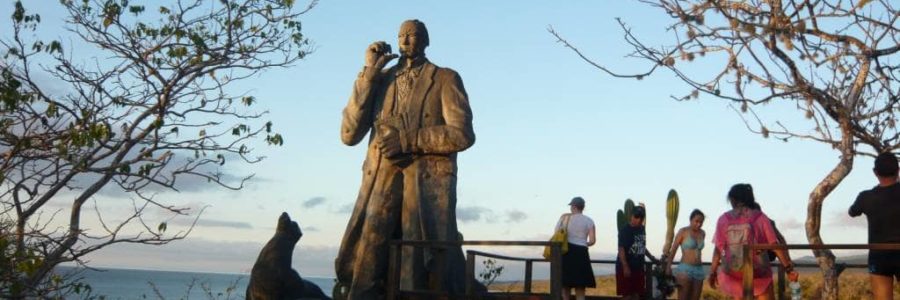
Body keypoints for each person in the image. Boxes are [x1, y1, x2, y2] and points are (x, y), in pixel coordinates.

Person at [335, 19, 476, 299]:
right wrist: (369, 73)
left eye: (413, 35)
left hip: (422, 183)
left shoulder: (445, 78)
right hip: (379, 180)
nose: (406, 40)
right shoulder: (380, 80)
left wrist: (409, 140)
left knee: (416, 261)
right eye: (401, 35)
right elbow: (349, 134)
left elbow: (462, 134)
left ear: (425, 40)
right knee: (369, 253)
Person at [708, 184, 798, 299]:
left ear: (734, 200)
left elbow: (718, 249)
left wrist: (712, 272)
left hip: (735, 274)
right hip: (759, 272)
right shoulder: (760, 217)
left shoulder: (723, 219)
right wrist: (788, 269)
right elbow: (775, 245)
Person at [849, 152, 900, 300]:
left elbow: (852, 212)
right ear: (898, 170)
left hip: (879, 255)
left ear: (875, 172)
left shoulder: (866, 197)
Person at [555, 197, 596, 300]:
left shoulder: (564, 218)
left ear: (573, 206)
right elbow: (592, 241)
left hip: (567, 252)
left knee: (565, 286)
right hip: (582, 253)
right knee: (580, 287)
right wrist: (583, 243)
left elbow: (556, 233)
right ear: (583, 207)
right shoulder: (589, 221)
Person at [665, 209, 706, 300]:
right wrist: (668, 267)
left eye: (701, 222)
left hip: (699, 269)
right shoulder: (683, 231)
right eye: (696, 221)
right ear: (691, 220)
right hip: (685, 269)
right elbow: (674, 249)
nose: (699, 224)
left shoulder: (702, 233)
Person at [617, 205, 655, 300]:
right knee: (627, 295)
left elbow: (641, 246)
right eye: (636, 216)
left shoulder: (642, 229)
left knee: (637, 295)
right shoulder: (625, 230)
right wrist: (625, 266)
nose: (639, 220)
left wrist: (651, 258)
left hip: (639, 267)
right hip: (626, 267)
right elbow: (621, 249)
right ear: (631, 216)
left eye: (641, 217)